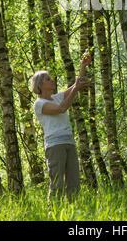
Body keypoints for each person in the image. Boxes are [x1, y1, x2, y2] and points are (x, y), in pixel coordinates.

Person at [31, 51, 91, 201]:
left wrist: (83, 66)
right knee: (57, 183)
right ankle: (55, 213)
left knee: (74, 182)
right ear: (40, 85)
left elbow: (75, 85)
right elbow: (61, 109)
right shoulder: (39, 104)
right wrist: (76, 89)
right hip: (54, 145)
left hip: (69, 142)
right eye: (48, 79)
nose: (52, 81)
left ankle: (74, 212)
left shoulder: (57, 97)